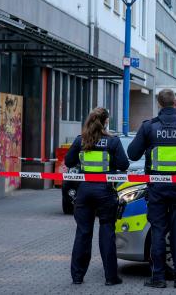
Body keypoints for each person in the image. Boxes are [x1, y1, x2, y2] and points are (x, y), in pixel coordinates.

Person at [127, 89, 176, 289]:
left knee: (158, 232)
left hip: (157, 189)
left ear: (160, 105)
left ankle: (159, 278)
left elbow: (132, 154)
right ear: (175, 103)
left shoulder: (149, 127)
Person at [65, 107, 129, 285]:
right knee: (107, 232)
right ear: (106, 121)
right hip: (105, 192)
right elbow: (123, 164)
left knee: (83, 233)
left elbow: (69, 161)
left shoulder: (81, 140)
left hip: (84, 191)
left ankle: (77, 276)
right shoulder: (112, 142)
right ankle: (110, 277)